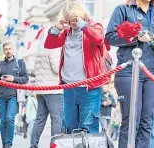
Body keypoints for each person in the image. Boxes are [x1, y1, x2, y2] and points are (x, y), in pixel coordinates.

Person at [105, 0, 154, 147]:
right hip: (129, 71)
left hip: (153, 73)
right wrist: (135, 38)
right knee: (131, 119)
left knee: (148, 120)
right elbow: (109, 37)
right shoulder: (123, 10)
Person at [44, 1, 109, 134]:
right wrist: (57, 28)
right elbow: (49, 44)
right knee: (70, 126)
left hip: (89, 87)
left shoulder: (94, 26)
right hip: (69, 87)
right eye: (68, 21)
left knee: (88, 125)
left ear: (81, 16)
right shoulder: (67, 32)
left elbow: (98, 38)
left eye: (74, 20)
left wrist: (83, 26)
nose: (72, 24)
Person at [0, 41, 29, 148]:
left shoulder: (20, 63)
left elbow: (26, 78)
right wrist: (0, 79)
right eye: (6, 49)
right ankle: (4, 144)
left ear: (13, 50)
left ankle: (8, 144)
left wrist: (13, 79)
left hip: (13, 96)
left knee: (9, 118)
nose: (8, 51)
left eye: (9, 49)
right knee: (3, 120)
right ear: (3, 51)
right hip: (1, 96)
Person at [30, 47, 63, 148]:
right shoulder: (54, 48)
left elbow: (35, 70)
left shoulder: (40, 49)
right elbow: (57, 68)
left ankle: (33, 145)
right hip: (53, 89)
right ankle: (55, 145)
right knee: (56, 119)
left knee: (40, 119)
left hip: (41, 89)